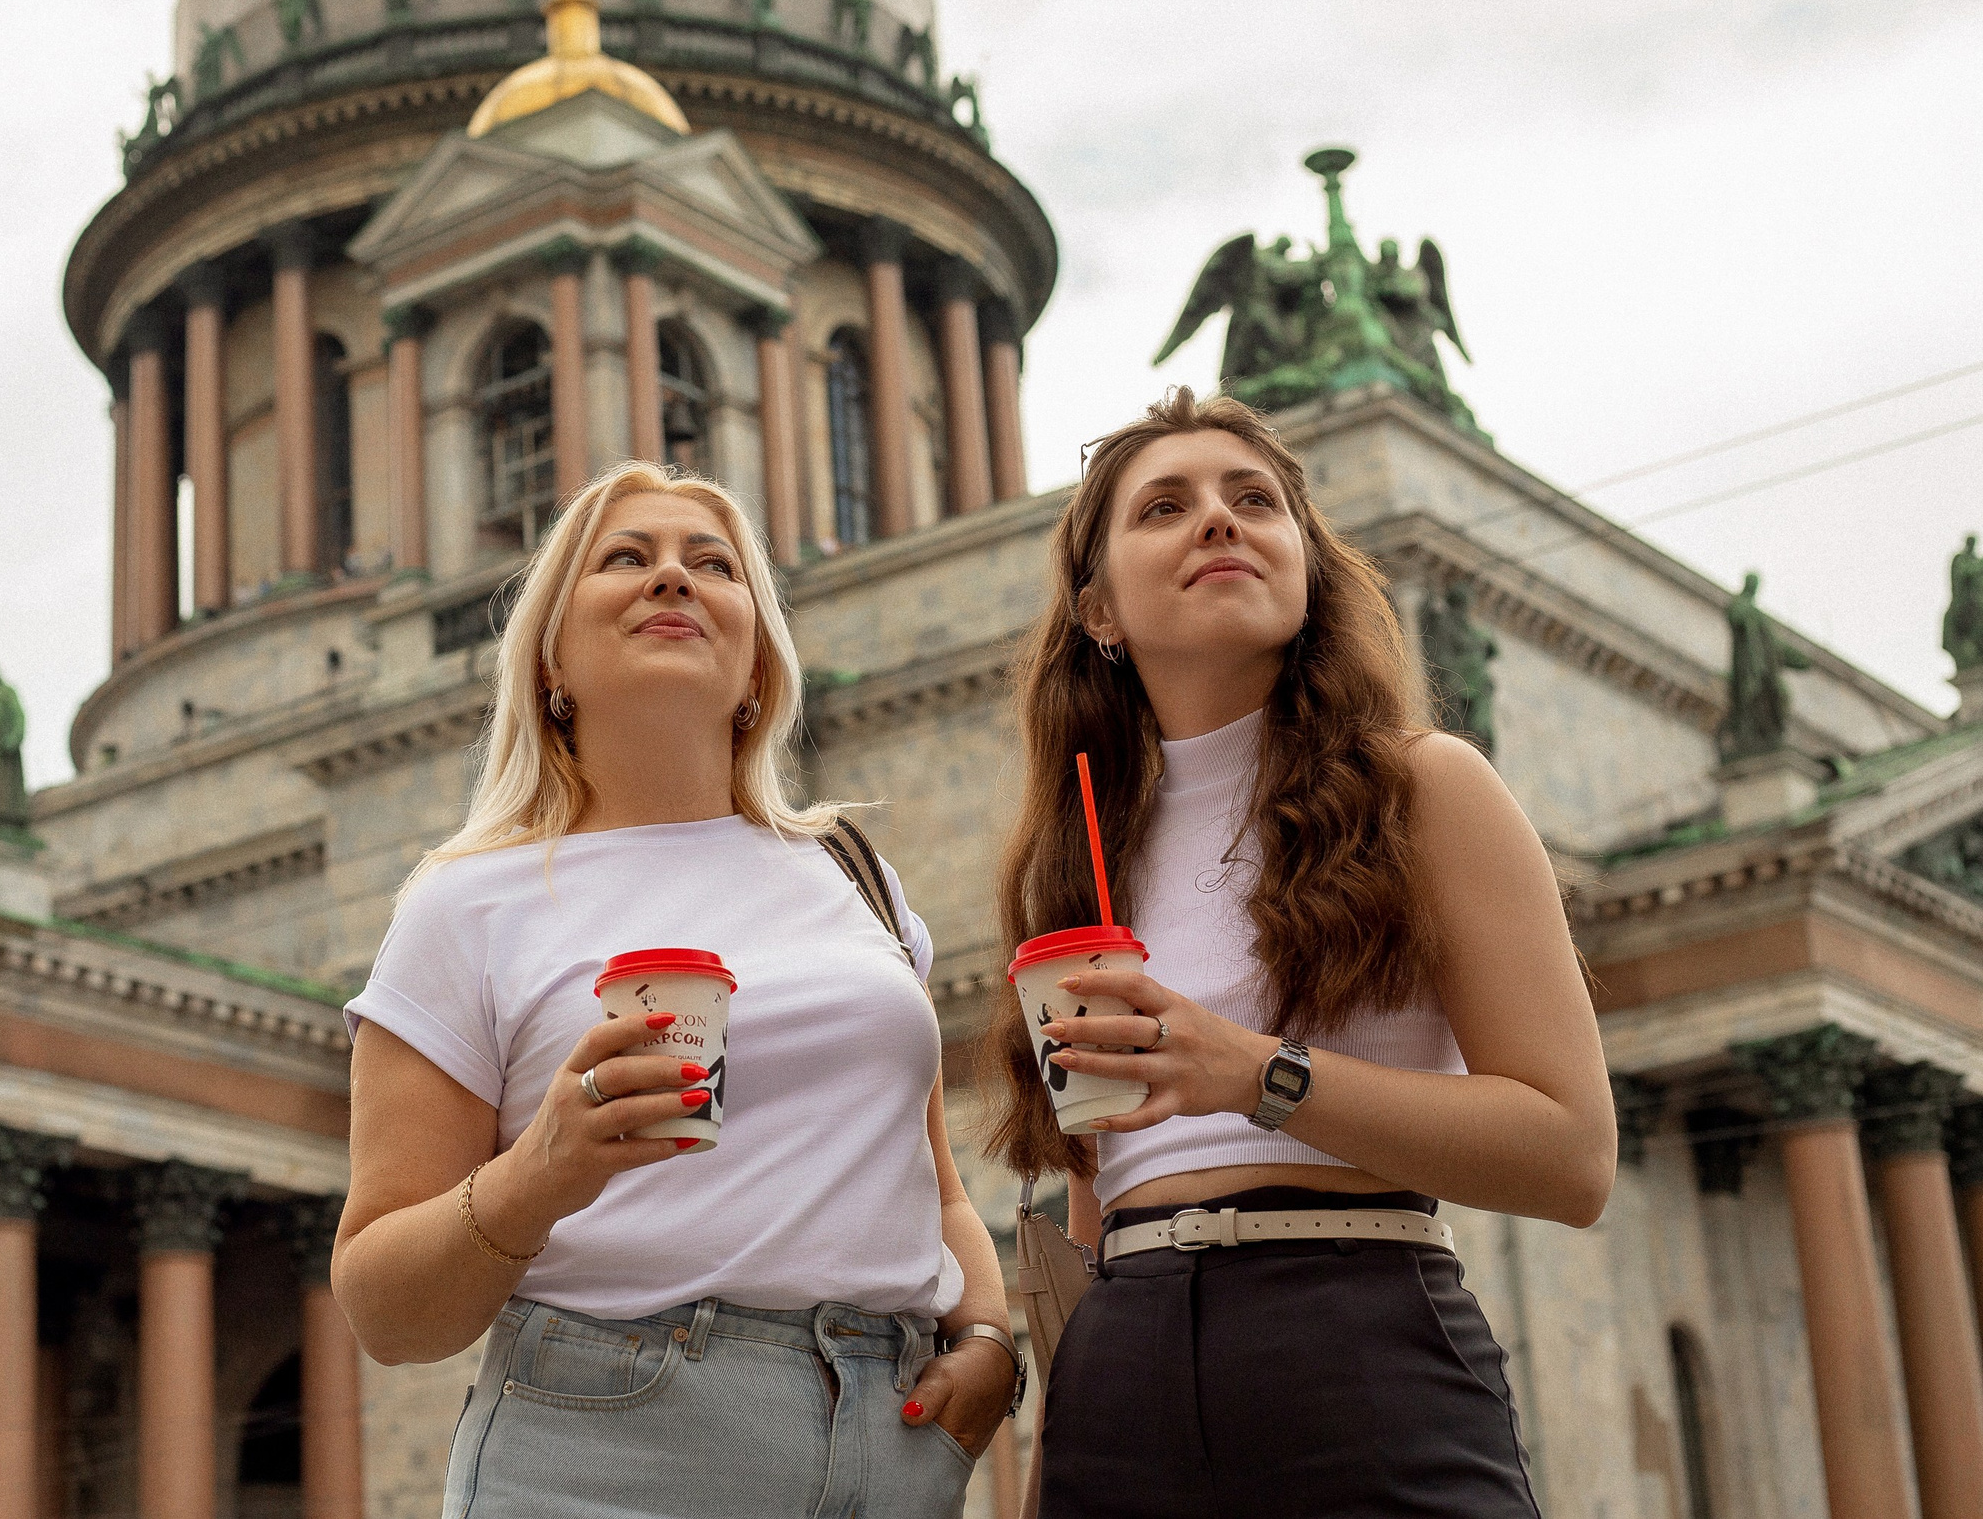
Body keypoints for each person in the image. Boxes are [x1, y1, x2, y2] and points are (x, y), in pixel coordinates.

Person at [333, 461, 1016, 1519]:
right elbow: (385, 1309)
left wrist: (988, 1339)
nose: (672, 577)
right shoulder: (464, 904)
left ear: (756, 664)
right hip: (609, 1449)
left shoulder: (854, 875)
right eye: (625, 557)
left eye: (713, 564)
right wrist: (542, 1172)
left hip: (892, 1443)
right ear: (552, 659)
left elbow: (939, 1187)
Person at [984, 388, 1613, 1518]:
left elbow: (1570, 1154)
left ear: (1308, 567)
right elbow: (1091, 1207)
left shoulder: (1426, 787)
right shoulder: (1080, 859)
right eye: (1164, 506)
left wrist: (1256, 1074)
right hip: (1120, 1373)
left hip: (1357, 1334)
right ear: (1098, 609)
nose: (1218, 519)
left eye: (1255, 498)